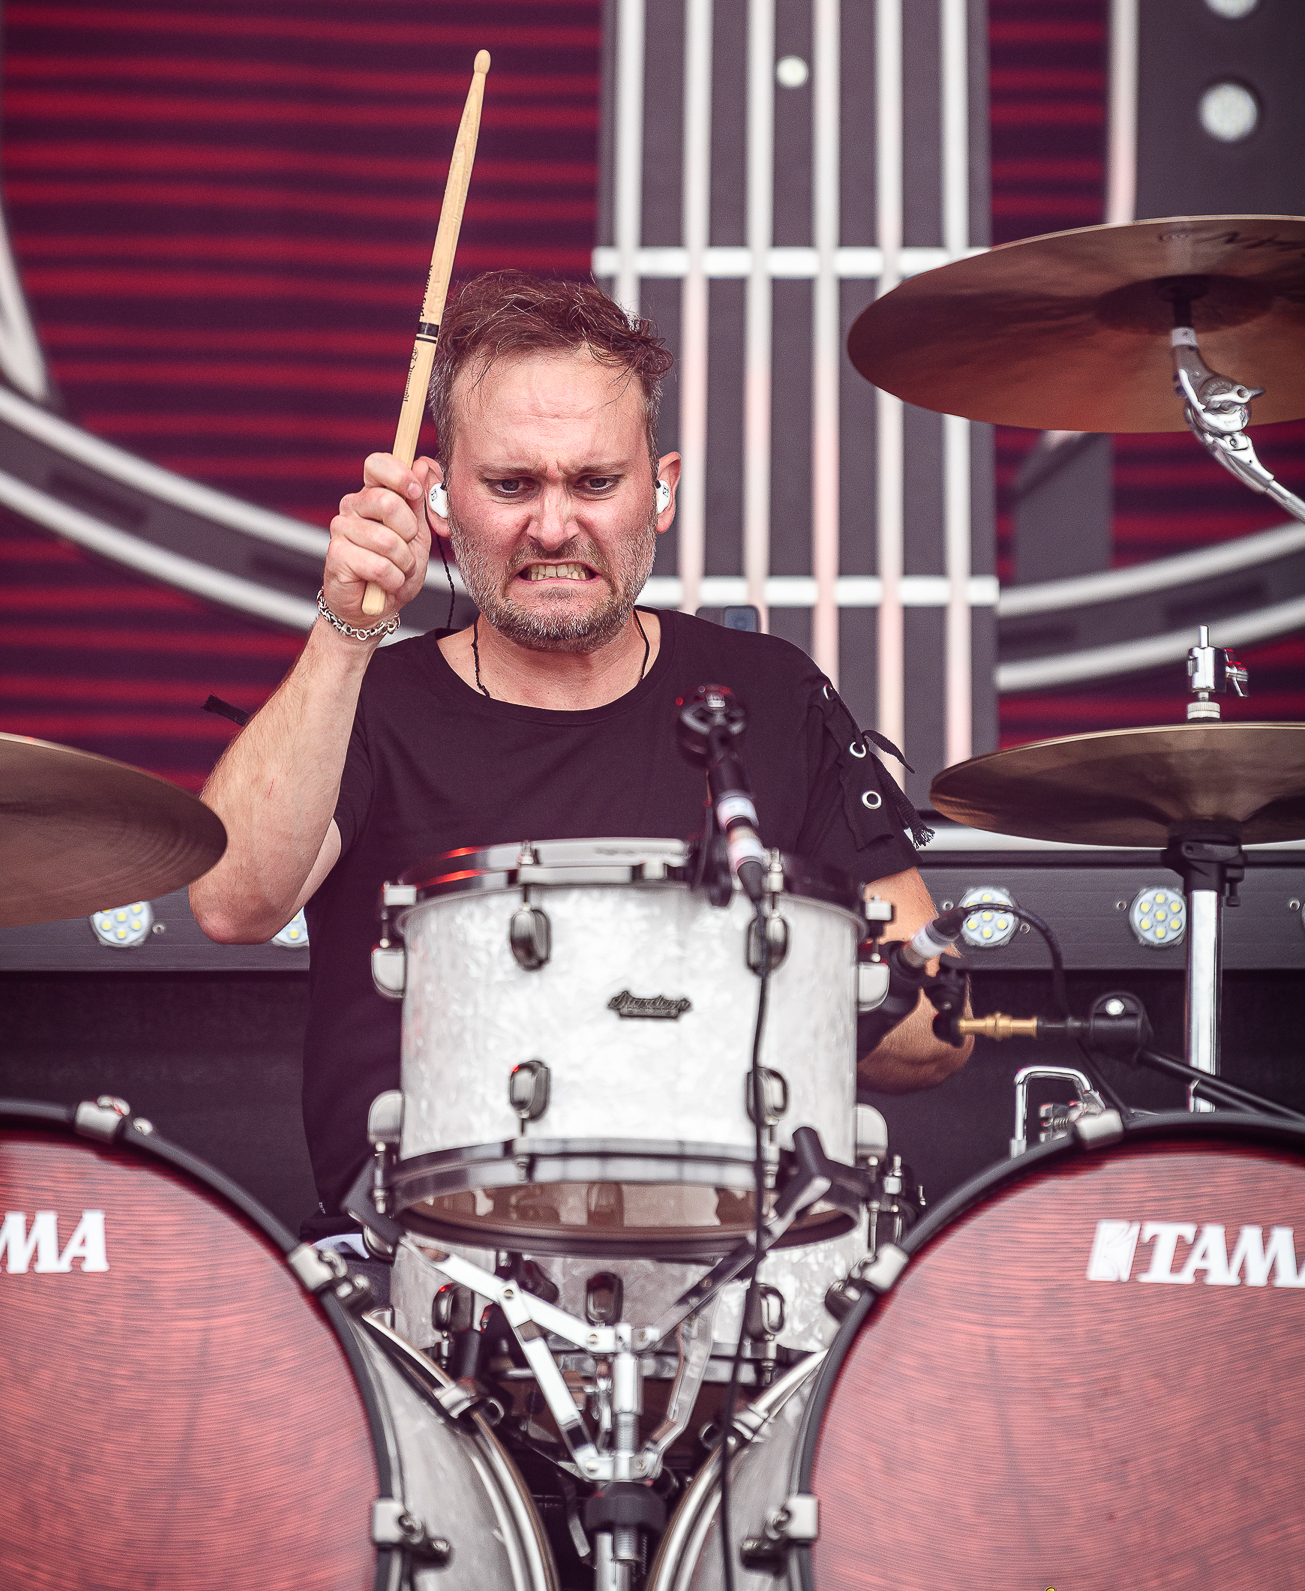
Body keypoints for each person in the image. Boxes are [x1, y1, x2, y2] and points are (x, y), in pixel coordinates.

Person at [191, 271, 968, 1236]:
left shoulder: (767, 693)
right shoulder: (369, 703)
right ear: (440, 498)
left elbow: (935, 1033)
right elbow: (231, 903)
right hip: (416, 1274)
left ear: (662, 489)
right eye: (511, 484)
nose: (554, 526)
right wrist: (347, 630)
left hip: (733, 1274)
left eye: (595, 482)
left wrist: (732, 986)